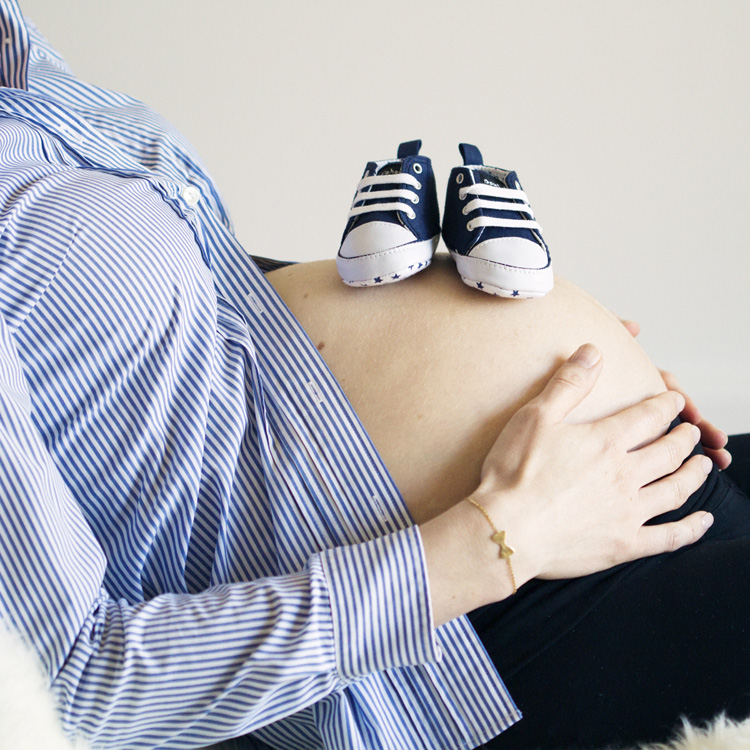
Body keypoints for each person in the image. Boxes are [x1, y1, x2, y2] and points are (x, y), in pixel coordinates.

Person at [0, 4, 744, 750]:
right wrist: (501, 536)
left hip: (607, 487)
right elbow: (69, 686)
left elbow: (179, 326)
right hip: (471, 639)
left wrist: (564, 347)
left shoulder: (18, 58)